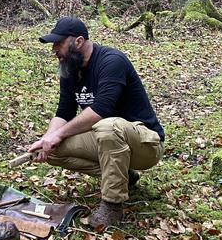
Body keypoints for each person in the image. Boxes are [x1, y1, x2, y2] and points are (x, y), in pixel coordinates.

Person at [29, 17, 165, 228]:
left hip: (145, 144)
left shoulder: (112, 61)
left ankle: (112, 206)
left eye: (59, 43)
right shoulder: (69, 67)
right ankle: (122, 177)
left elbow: (101, 110)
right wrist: (47, 138)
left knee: (107, 126)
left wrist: (59, 134)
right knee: (53, 149)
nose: (54, 49)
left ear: (79, 41)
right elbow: (64, 110)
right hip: (110, 140)